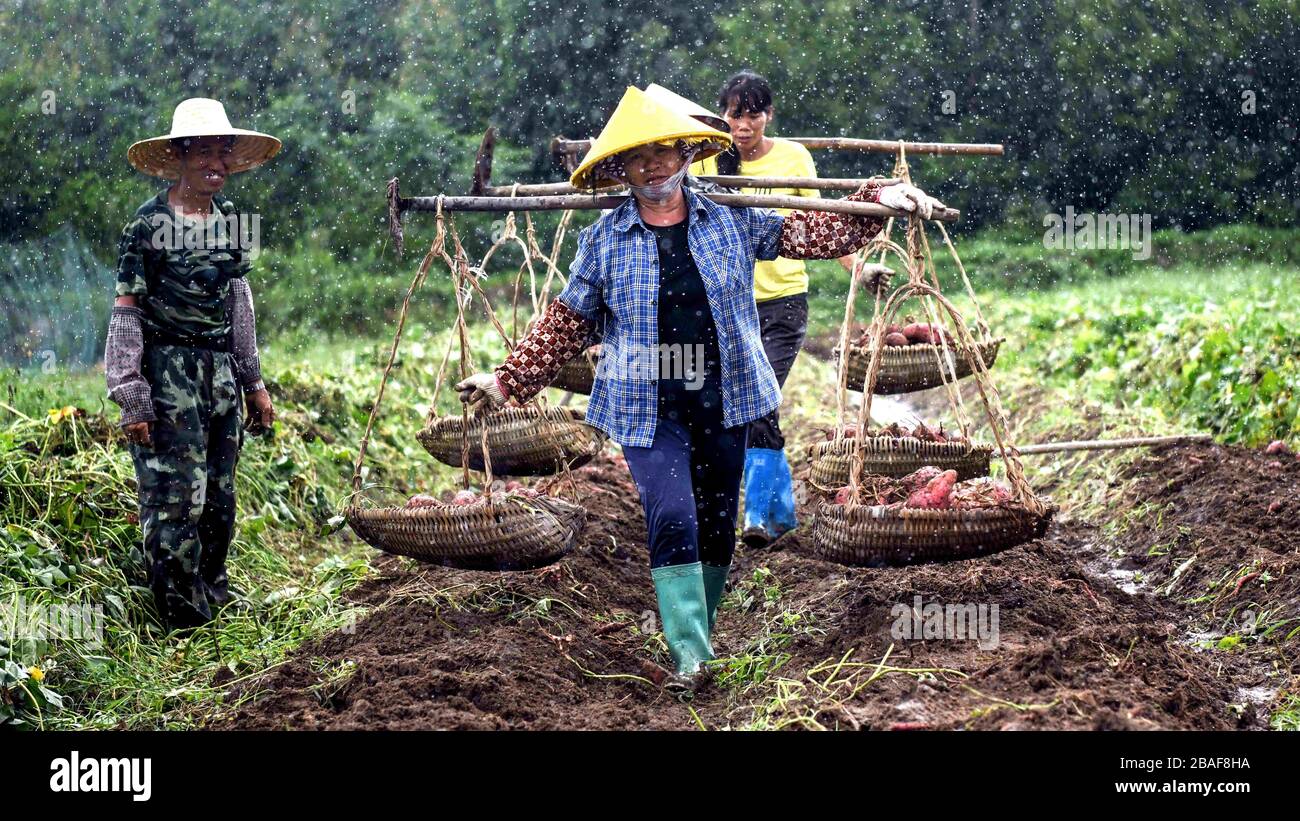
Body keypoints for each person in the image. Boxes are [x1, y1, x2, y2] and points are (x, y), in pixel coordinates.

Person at [456, 86, 942, 697]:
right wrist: (504, 381)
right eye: (639, 157)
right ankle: (687, 650)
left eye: (666, 151)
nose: (655, 164)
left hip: (726, 395)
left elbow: (813, 233)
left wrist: (878, 202)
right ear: (620, 169)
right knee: (672, 515)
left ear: (687, 154)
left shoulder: (730, 217)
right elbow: (568, 320)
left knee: (716, 521)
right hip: (647, 405)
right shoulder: (604, 240)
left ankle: (702, 629)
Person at [695, 70, 895, 549]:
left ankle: (759, 515)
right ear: (722, 115)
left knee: (760, 401)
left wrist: (859, 269)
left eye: (753, 115)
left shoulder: (793, 159)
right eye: (734, 115)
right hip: (725, 307)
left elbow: (825, 223)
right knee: (733, 406)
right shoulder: (702, 160)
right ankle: (780, 511)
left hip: (783, 306)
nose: (743, 125)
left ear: (768, 116)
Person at [106, 98, 279, 629]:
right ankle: (182, 619)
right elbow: (127, 310)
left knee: (219, 497)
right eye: (206, 153)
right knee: (176, 496)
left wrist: (253, 381)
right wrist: (130, 392)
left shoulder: (231, 220)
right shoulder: (147, 224)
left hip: (220, 373)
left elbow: (238, 303)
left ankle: (213, 594)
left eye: (224, 155)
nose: (218, 165)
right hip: (168, 372)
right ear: (180, 155)